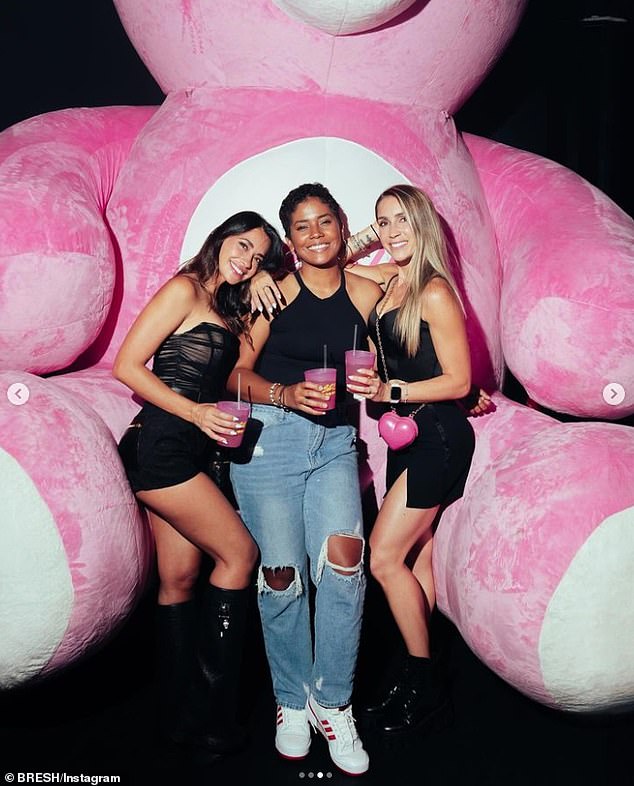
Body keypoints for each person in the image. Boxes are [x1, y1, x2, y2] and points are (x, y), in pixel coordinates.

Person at [112, 211, 285, 755]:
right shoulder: (185, 290)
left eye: (257, 255)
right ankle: (213, 715)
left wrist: (262, 276)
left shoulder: (234, 306)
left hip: (189, 446)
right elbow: (126, 366)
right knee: (239, 555)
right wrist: (195, 414)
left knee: (181, 577)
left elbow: (326, 256)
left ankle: (174, 716)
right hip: (160, 444)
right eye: (241, 246)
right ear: (220, 237)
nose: (246, 259)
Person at [225, 183, 383, 776]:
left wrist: (459, 387)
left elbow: (416, 300)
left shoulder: (367, 292)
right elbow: (233, 377)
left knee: (346, 559)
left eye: (325, 222)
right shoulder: (273, 294)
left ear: (342, 226)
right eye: (301, 226)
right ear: (288, 240)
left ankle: (332, 701)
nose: (315, 233)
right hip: (271, 439)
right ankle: (290, 702)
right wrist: (285, 393)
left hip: (336, 441)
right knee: (281, 574)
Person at [345, 184, 477, 741]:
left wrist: (389, 389)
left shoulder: (435, 292)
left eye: (402, 220)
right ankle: (417, 677)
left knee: (383, 557)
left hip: (437, 437)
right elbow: (327, 264)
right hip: (408, 438)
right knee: (416, 563)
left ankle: (424, 688)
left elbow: (461, 380)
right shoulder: (388, 279)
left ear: (423, 224)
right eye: (383, 222)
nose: (393, 231)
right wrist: (373, 238)